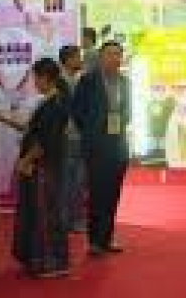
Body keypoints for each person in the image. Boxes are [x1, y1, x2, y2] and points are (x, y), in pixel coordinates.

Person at [12, 58, 71, 278]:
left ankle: (53, 262)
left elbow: (44, 141)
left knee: (45, 214)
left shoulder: (54, 105)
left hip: (43, 167)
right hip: (42, 165)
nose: (34, 82)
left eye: (36, 78)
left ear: (45, 78)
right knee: (39, 212)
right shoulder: (50, 101)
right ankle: (41, 259)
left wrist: (26, 160)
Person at [74, 41, 131, 257]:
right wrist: (92, 133)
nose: (115, 58)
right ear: (100, 57)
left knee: (113, 194)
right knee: (97, 194)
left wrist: (118, 125)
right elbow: (77, 112)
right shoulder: (88, 81)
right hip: (96, 147)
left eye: (118, 54)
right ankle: (94, 242)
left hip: (118, 146)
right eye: (110, 54)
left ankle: (106, 239)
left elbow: (128, 112)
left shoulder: (125, 82)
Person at [59, 45, 87, 233]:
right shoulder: (60, 82)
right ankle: (67, 220)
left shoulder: (78, 80)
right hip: (67, 137)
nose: (80, 61)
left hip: (79, 136)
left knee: (78, 180)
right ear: (68, 60)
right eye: (77, 57)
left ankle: (74, 219)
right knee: (68, 180)